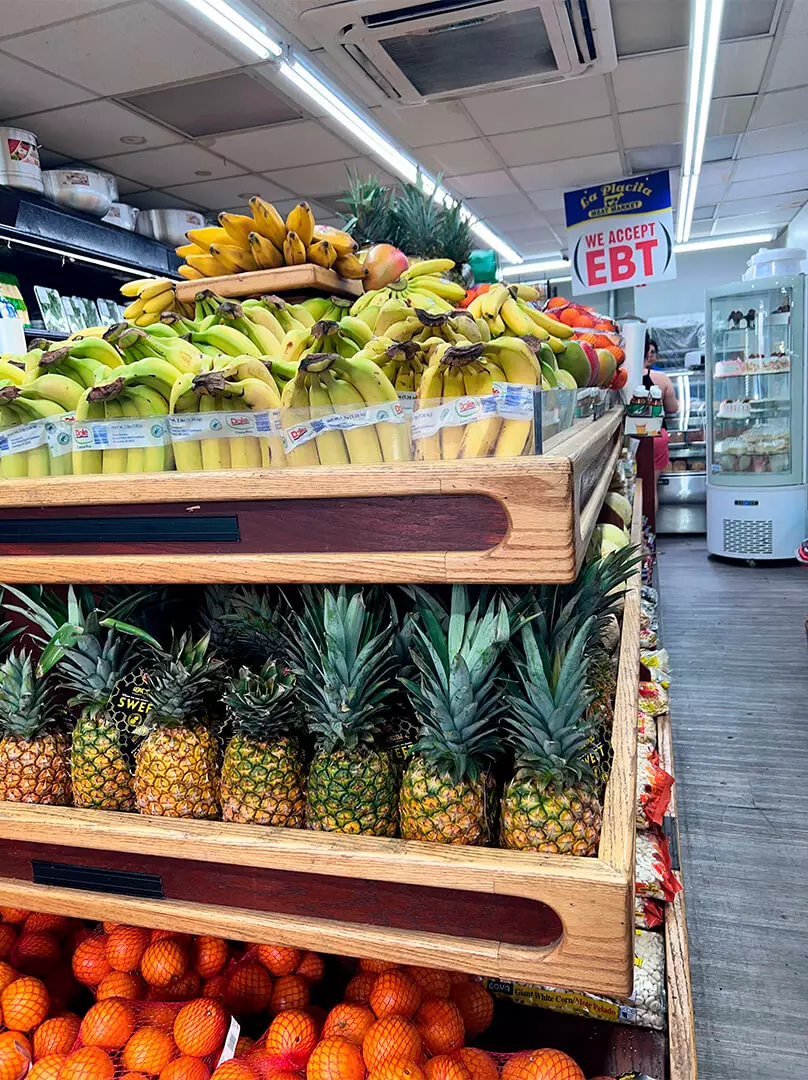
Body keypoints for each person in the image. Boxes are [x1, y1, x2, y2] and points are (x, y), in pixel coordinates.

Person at [643, 336, 679, 510]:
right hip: (657, 435)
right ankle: (649, 534)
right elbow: (673, 408)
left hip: (633, 438)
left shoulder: (623, 377)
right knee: (651, 488)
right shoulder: (662, 378)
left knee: (633, 488)